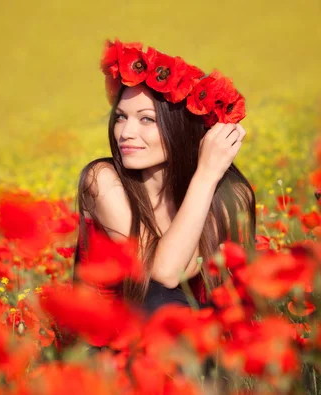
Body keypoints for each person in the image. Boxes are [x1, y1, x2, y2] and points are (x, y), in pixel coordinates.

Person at [73, 40, 256, 317]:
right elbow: (166, 273)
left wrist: (209, 178)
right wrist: (205, 175)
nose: (125, 133)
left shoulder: (230, 193)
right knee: (157, 296)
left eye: (146, 120)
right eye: (121, 117)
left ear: (182, 128)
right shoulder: (103, 180)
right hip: (110, 346)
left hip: (195, 344)